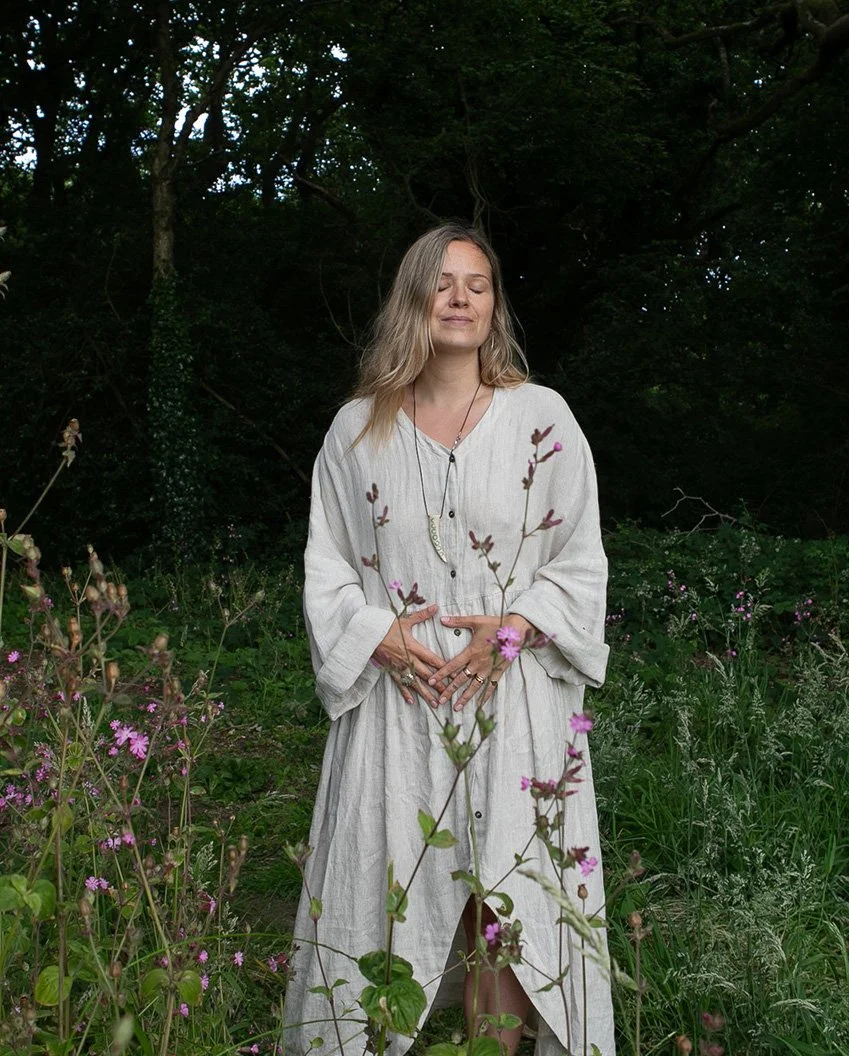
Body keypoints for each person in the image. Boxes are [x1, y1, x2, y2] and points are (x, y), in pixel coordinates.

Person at [283, 223, 614, 1056]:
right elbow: (326, 569)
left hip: (512, 698)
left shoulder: (541, 418)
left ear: (494, 305)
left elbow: (579, 557)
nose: (461, 296)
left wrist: (513, 625)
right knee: (384, 889)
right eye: (442, 282)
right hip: (400, 704)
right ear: (413, 301)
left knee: (502, 902)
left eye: (477, 283)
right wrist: (376, 634)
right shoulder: (356, 431)